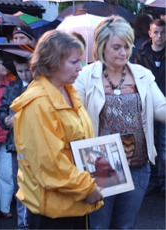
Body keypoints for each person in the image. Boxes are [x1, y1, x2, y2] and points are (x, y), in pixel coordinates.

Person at [74, 15, 166, 229]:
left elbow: (162, 108)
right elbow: (72, 117)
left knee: (126, 226)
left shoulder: (142, 75)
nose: (124, 52)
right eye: (116, 47)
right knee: (99, 226)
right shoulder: (85, 77)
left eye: (127, 46)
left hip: (138, 165)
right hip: (101, 163)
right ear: (102, 47)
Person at [10, 30, 103, 230]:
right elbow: (48, 164)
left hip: (73, 204)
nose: (80, 68)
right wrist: (86, 187)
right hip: (54, 213)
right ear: (52, 63)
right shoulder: (38, 103)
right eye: (74, 62)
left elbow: (80, 142)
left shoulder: (67, 91)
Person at [0, 55, 33, 229]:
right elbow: (1, 111)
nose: (25, 74)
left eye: (27, 70)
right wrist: (6, 120)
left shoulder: (39, 85)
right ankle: (22, 224)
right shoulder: (13, 87)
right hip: (16, 144)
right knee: (20, 185)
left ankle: (31, 221)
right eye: (20, 71)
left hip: (35, 144)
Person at [134, 18, 166, 196]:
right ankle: (153, 182)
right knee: (149, 144)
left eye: (162, 32)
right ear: (150, 33)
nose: (159, 36)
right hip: (147, 105)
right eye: (156, 32)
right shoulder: (141, 54)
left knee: (164, 147)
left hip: (164, 105)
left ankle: (163, 183)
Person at [0, 51, 14, 219]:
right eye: (2, 64)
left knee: (6, 174)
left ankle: (5, 208)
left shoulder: (11, 84)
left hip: (7, 135)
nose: (5, 67)